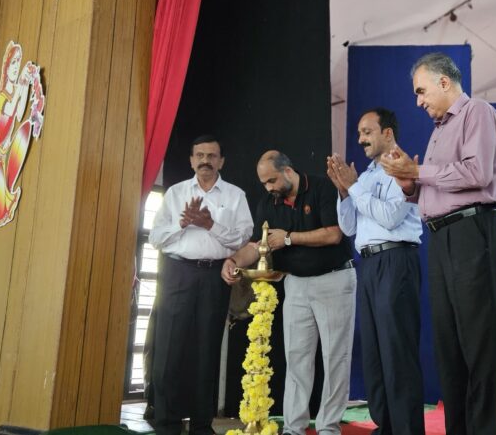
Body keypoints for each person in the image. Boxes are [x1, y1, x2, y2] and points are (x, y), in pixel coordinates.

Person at [380, 52, 496, 435]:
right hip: (440, 236)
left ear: (444, 82)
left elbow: (477, 172)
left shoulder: (477, 112)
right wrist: (410, 185)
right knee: (448, 347)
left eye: (421, 91)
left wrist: (418, 170)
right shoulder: (438, 130)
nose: (418, 101)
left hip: (473, 230)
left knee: (479, 345)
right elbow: (435, 190)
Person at [222, 151, 355, 435]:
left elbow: (334, 234)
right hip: (295, 283)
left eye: (271, 180)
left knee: (335, 358)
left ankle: (328, 427)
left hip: (333, 279)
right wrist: (233, 261)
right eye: (263, 183)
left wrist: (289, 238)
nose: (268, 187)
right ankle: (294, 428)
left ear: (288, 171)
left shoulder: (321, 187)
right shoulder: (268, 203)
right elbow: (257, 245)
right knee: (296, 358)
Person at [327, 108, 425, 435]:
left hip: (396, 261)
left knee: (397, 351)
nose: (360, 139)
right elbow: (349, 227)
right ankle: (386, 427)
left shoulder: (401, 166)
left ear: (387, 133)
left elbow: (390, 218)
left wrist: (354, 188)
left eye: (367, 132)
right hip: (368, 265)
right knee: (374, 353)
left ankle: (407, 430)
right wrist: (344, 192)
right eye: (359, 133)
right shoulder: (367, 175)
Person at [148, 135, 254, 435]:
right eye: (200, 155)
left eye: (212, 155)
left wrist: (210, 224)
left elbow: (243, 238)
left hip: (213, 277)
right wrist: (182, 223)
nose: (205, 160)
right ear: (191, 160)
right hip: (177, 273)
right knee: (169, 349)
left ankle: (201, 425)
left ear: (221, 161)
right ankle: (166, 424)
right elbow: (155, 238)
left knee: (207, 349)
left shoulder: (235, 195)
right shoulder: (175, 193)